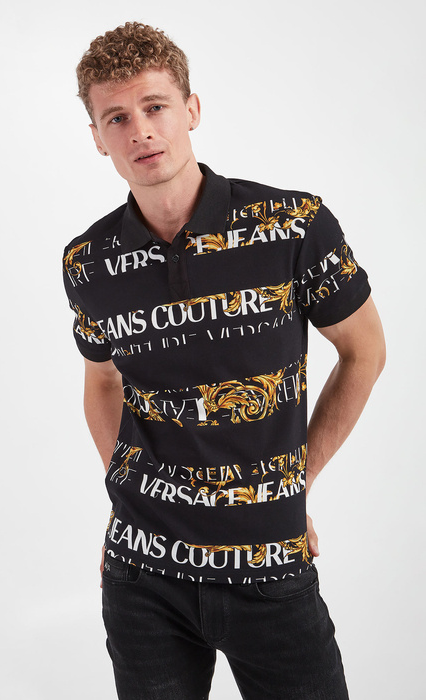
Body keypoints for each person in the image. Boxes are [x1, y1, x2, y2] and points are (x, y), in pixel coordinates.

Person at [63, 21, 385, 700]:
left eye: (154, 106)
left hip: (268, 566)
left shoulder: (292, 225)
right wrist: (128, 494)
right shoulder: (88, 262)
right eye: (116, 118)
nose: (140, 131)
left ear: (191, 109)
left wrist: (291, 483)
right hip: (142, 576)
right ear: (96, 137)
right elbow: (102, 382)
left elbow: (364, 351)